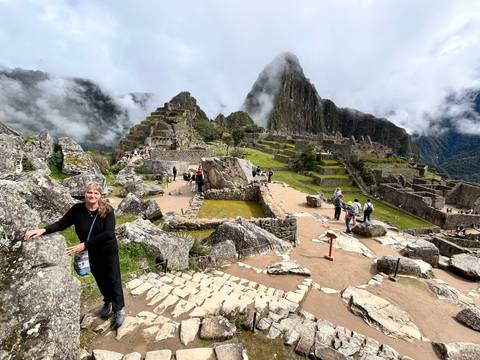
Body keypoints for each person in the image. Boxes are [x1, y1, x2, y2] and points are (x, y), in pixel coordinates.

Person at [24, 183, 125, 328]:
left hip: (108, 251)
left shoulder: (107, 210)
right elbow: (62, 224)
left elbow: (109, 234)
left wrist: (84, 245)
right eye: (89, 192)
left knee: (113, 278)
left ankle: (119, 308)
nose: (92, 195)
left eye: (96, 193)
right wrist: (42, 230)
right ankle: (109, 302)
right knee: (99, 277)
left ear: (100, 196)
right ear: (84, 194)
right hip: (92, 251)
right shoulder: (77, 209)